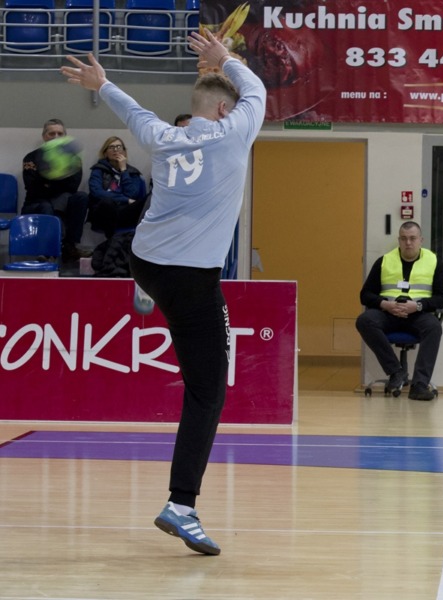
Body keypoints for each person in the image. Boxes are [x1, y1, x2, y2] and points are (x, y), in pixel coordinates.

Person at [60, 29, 266, 554]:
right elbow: (258, 90)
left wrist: (103, 84)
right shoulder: (234, 134)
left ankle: (147, 293)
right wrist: (225, 57)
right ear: (224, 111)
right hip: (190, 278)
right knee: (207, 391)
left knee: (159, 272)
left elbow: (134, 114)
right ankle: (182, 504)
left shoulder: (163, 136)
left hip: (145, 261)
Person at [356, 221, 443, 401]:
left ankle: (419, 385)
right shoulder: (384, 261)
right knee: (364, 321)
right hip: (388, 314)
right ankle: (396, 371)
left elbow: (442, 298)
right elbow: (365, 295)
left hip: (418, 314)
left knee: (434, 327)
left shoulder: (434, 262)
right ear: (399, 240)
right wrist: (385, 304)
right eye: (404, 239)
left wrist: (418, 305)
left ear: (421, 240)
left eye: (412, 238)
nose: (408, 243)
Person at [21, 118, 89, 262]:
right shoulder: (31, 157)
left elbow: (73, 186)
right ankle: (47, 250)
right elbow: (32, 186)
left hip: (63, 200)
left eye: (60, 133)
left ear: (65, 136)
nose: (56, 137)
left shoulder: (73, 158)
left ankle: (70, 245)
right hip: (36, 202)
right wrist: (59, 181)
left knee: (81, 197)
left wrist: (47, 182)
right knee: (47, 206)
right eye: (52, 133)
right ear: (44, 136)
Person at [88, 136, 146, 237]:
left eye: (119, 147)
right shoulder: (98, 170)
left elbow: (132, 194)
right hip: (103, 213)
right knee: (107, 202)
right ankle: (112, 240)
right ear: (105, 153)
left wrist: (124, 170)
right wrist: (125, 199)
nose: (115, 150)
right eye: (111, 147)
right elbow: (96, 192)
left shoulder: (133, 172)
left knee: (150, 197)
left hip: (125, 212)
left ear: (124, 151)